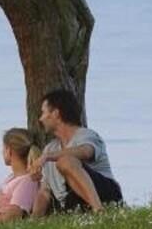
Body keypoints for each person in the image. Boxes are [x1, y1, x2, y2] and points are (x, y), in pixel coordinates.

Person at [29, 87, 123, 215]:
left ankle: (99, 211)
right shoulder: (50, 148)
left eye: (43, 113)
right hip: (71, 202)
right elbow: (45, 192)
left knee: (65, 162)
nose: (41, 119)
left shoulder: (87, 135)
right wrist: (34, 221)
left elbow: (86, 152)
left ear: (56, 113)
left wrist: (48, 157)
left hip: (105, 193)